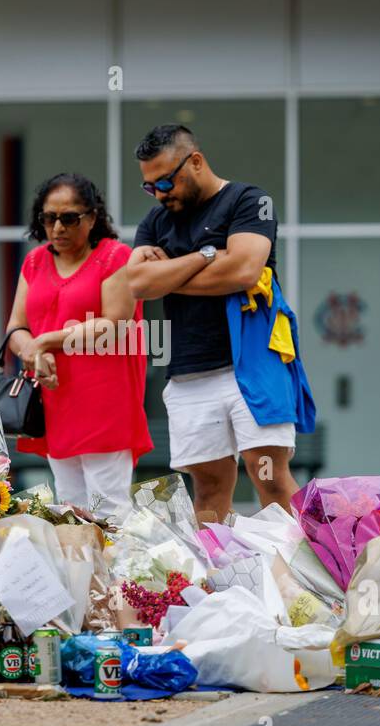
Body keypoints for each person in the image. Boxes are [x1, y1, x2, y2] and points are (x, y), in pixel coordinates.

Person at [126, 124, 315, 521]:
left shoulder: (249, 201)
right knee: (208, 490)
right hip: (189, 373)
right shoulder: (156, 221)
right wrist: (207, 255)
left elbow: (244, 271)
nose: (160, 193)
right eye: (150, 186)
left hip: (253, 365)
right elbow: (139, 283)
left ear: (195, 161)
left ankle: (308, 579)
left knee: (271, 480)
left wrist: (172, 277)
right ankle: (218, 581)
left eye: (165, 180)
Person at [5, 173, 152, 522]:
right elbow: (16, 326)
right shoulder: (35, 261)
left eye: (69, 218)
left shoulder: (115, 257)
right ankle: (83, 576)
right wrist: (32, 351)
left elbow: (115, 323)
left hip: (105, 402)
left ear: (92, 217)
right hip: (55, 402)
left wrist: (46, 341)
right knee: (69, 507)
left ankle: (121, 578)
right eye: (49, 218)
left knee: (108, 510)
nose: (58, 227)